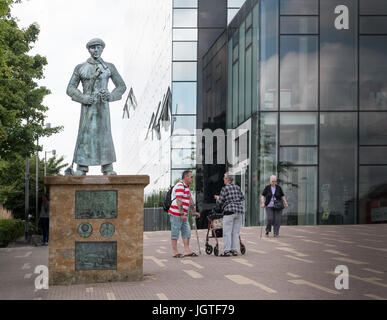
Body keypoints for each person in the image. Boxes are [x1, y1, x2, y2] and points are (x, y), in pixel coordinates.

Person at [66, 38, 127, 176]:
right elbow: (70, 88)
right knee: (85, 135)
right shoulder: (80, 67)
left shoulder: (109, 67)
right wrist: (83, 98)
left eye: (99, 47)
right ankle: (82, 167)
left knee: (104, 134)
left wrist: (110, 96)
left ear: (102, 49)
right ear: (89, 49)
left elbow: (121, 86)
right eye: (93, 47)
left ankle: (107, 167)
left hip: (102, 107)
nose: (96, 50)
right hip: (88, 106)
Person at [168, 170, 200, 258]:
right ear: (185, 177)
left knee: (186, 231)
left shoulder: (186, 187)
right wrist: (181, 214)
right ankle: (175, 251)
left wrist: (194, 211)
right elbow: (179, 200)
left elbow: (190, 200)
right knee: (175, 232)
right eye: (191, 177)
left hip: (183, 214)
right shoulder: (180, 186)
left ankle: (187, 250)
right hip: (176, 213)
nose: (192, 179)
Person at [214, 172, 244, 257]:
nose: (223, 180)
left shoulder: (225, 188)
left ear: (227, 179)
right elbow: (242, 197)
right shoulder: (237, 187)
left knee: (227, 232)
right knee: (235, 232)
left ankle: (226, 251)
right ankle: (234, 250)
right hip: (238, 211)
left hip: (229, 211)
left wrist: (218, 198)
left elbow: (220, 202)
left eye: (224, 178)